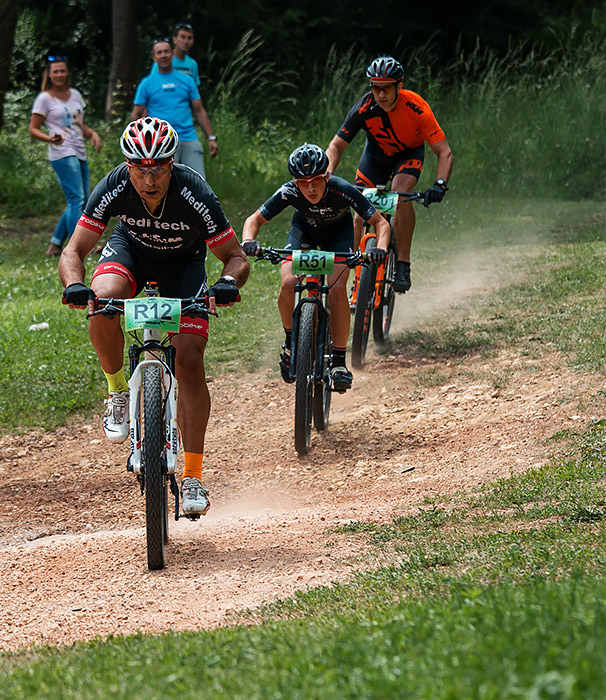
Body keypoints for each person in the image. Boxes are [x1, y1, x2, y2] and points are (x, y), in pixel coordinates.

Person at [58, 117, 249, 516]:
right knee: (103, 302)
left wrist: (228, 282)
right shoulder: (113, 186)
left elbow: (235, 256)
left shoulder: (193, 190)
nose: (149, 179)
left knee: (190, 358)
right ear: (128, 166)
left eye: (159, 168)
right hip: (132, 251)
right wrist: (76, 285)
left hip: (185, 264)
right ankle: (117, 392)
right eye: (139, 169)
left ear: (172, 164)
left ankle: (193, 476)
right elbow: (73, 251)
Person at [241, 143, 390, 391]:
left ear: (326, 176)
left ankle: (339, 362)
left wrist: (380, 249)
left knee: (335, 290)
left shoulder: (343, 189)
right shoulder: (289, 192)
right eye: (303, 182)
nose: (310, 188)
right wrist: (248, 241)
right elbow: (253, 220)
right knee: (289, 283)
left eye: (316, 181)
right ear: (295, 182)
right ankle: (291, 341)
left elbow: (381, 223)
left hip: (338, 236)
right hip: (304, 234)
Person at [326, 55, 453, 293]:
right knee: (358, 212)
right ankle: (347, 273)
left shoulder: (416, 107)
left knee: (401, 197)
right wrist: (327, 174)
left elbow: (444, 152)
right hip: (375, 157)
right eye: (376, 88)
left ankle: (403, 263)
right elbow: (336, 146)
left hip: (408, 154)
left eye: (386, 88)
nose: (381, 95)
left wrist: (440, 184)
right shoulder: (364, 107)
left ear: (399, 85)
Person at [29, 55, 102, 257]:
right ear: (49, 74)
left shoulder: (76, 95)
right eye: (55, 71)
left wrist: (93, 134)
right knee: (76, 198)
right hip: (62, 152)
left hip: (80, 150)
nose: (59, 75)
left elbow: (80, 124)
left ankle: (55, 245)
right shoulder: (45, 99)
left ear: (67, 72)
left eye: (62, 71)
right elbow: (33, 128)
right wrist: (49, 138)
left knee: (81, 199)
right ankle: (79, 246)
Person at [132, 38, 217, 178]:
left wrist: (211, 137)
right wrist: (139, 143)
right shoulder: (147, 84)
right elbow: (136, 115)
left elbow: (199, 110)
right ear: (154, 57)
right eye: (159, 53)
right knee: (166, 184)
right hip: (162, 142)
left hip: (188, 137)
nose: (163, 55)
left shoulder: (187, 80)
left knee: (198, 183)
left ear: (172, 54)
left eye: (166, 51)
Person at [151, 22, 201, 87]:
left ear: (193, 41)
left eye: (189, 38)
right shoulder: (163, 61)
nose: (186, 41)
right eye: (182, 37)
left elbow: (195, 90)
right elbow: (152, 87)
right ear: (174, 39)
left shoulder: (192, 64)